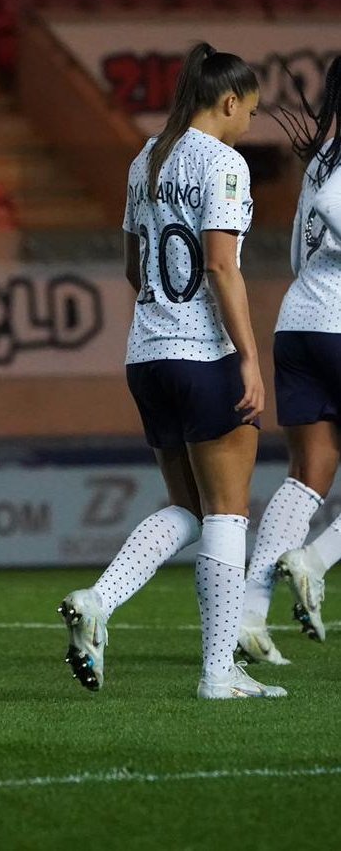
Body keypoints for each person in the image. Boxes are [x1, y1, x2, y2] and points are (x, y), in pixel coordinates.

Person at [58, 42, 287, 700]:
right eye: (250, 111)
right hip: (203, 355)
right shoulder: (223, 163)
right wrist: (248, 356)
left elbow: (134, 268)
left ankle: (99, 600)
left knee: (188, 507)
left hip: (148, 354)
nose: (250, 124)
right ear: (230, 102)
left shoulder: (145, 159)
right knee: (227, 512)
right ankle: (219, 674)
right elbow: (220, 265)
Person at [238, 55, 341, 662]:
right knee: (308, 480)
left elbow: (307, 235)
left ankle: (250, 617)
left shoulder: (322, 156)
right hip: (336, 322)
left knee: (307, 477)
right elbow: (332, 210)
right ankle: (316, 558)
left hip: (300, 319)